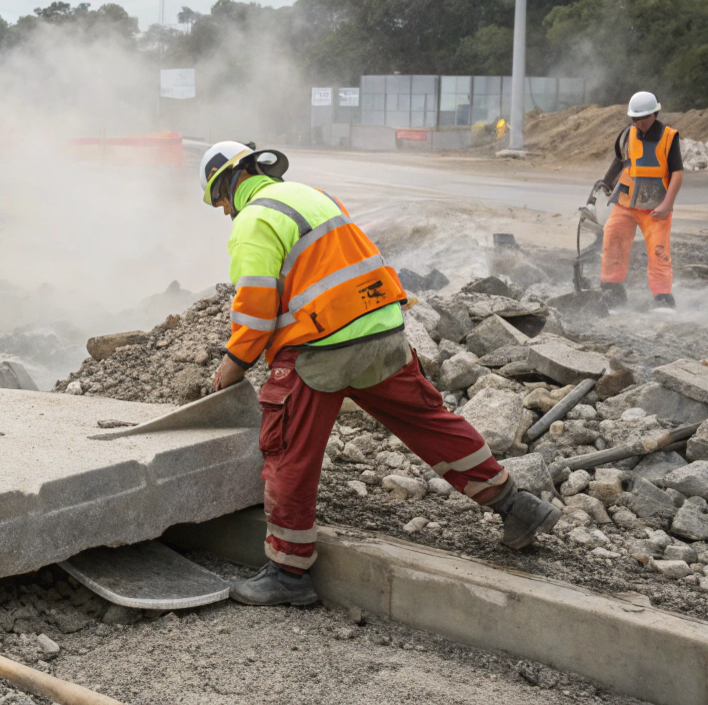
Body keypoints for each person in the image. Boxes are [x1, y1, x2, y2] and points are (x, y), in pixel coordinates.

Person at [198, 140, 559, 606]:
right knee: (428, 422)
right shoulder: (314, 196)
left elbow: (255, 311)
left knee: (289, 451)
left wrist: (231, 367)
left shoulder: (253, 219)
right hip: (383, 330)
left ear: (231, 181)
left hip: (323, 347)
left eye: (220, 200)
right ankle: (516, 505)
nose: (224, 210)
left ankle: (288, 573)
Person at [594, 91, 683, 311]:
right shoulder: (627, 134)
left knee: (658, 251)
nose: (638, 123)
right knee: (612, 240)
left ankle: (663, 299)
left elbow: (677, 174)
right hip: (625, 203)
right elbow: (619, 160)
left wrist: (666, 205)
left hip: (655, 207)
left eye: (643, 118)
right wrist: (605, 182)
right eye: (635, 119)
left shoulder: (669, 137)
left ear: (654, 114)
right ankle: (612, 291)